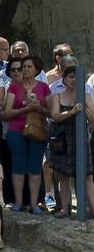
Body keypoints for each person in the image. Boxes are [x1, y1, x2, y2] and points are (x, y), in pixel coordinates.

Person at [2, 54, 49, 212]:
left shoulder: (43, 87)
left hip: (38, 129)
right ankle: (18, 202)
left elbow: (50, 112)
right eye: (24, 67)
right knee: (18, 164)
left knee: (35, 166)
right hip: (16, 129)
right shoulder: (14, 86)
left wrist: (37, 107)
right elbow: (7, 112)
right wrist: (26, 108)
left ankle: (34, 204)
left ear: (36, 69)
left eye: (29, 67)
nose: (26, 69)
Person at [47, 65, 94, 217]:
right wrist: (72, 111)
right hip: (62, 138)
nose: (74, 80)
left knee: (87, 175)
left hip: (80, 138)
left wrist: (85, 108)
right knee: (63, 175)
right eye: (70, 77)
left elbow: (92, 118)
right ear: (64, 80)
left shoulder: (85, 95)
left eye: (76, 77)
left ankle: (92, 208)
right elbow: (55, 116)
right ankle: (64, 208)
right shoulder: (58, 96)